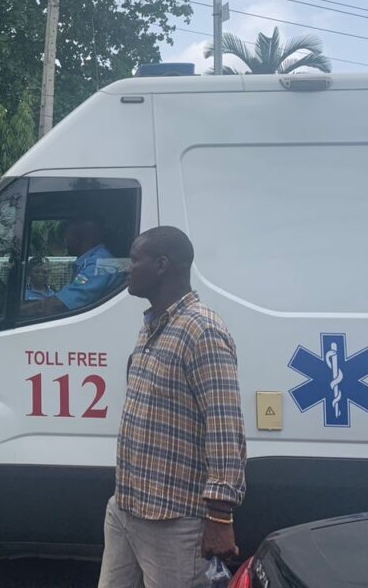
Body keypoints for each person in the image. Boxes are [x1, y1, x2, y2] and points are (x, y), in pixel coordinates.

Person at [97, 226, 245, 588]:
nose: (127, 268)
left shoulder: (202, 331)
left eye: (135, 260)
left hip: (174, 521)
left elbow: (224, 427)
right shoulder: (153, 326)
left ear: (162, 265)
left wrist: (220, 517)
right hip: (127, 507)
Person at [25, 215, 124, 315]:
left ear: (78, 239)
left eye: (66, 237)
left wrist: (21, 310)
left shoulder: (99, 264)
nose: (65, 241)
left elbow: (62, 304)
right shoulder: (95, 259)